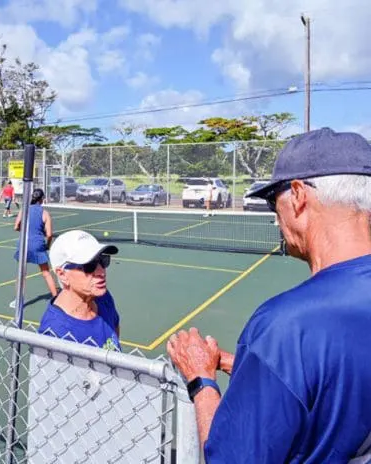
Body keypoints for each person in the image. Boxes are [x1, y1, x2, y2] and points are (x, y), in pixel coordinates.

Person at [167, 127, 371, 462]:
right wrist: (258, 370)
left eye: (273, 197)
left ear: (297, 195)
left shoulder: (285, 328)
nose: (275, 214)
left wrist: (201, 380)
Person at [38, 230, 120, 351]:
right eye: (89, 266)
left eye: (103, 260)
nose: (101, 272)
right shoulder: (54, 334)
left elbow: (115, 331)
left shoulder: (104, 297)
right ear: (62, 275)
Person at [10, 189, 57, 308]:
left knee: (21, 274)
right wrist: (48, 245)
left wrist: (25, 230)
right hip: (38, 244)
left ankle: (18, 301)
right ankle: (56, 299)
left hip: (24, 244)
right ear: (42, 199)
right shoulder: (45, 213)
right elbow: (50, 234)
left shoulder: (24, 210)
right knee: (46, 272)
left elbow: (16, 227)